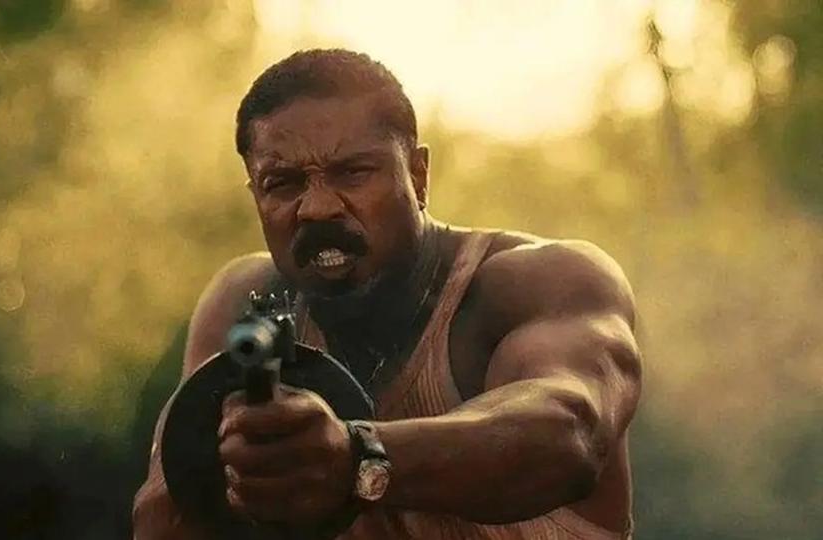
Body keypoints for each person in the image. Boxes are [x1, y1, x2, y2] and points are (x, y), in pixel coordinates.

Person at [133, 48, 642, 539]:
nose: (317, 208)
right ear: (256, 196)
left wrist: (356, 456)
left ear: (418, 176)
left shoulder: (537, 282)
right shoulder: (247, 299)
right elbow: (161, 517)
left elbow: (566, 432)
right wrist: (236, 475)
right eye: (282, 183)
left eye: (353, 173)